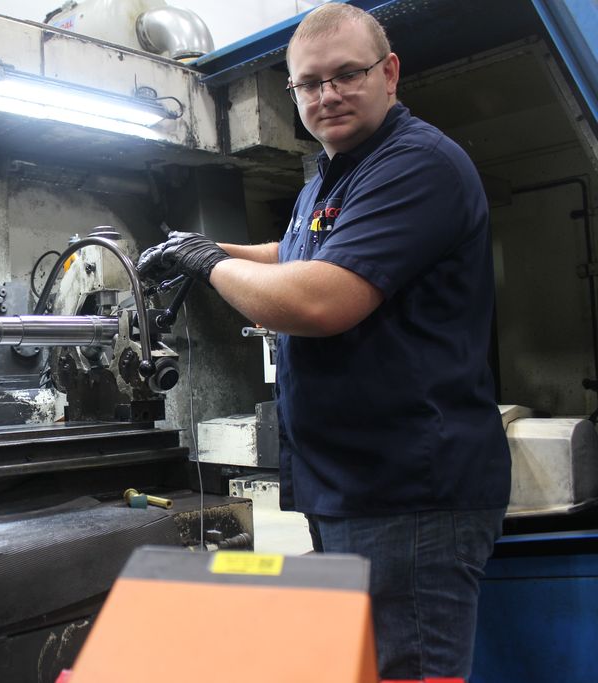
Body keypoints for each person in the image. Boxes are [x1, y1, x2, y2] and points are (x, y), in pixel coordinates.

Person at [136, 4, 511, 680]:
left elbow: (319, 298)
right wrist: (207, 246)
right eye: (310, 83)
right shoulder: (331, 175)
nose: (327, 95)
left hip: (409, 493)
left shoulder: (414, 164)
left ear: (389, 73)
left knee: (411, 671)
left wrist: (207, 264)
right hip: (353, 487)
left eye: (347, 75)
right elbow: (297, 252)